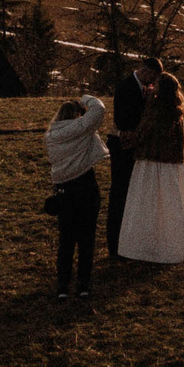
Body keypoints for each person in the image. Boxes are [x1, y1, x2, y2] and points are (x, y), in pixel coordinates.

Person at [112, 68, 184, 264]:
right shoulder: (175, 109)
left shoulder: (156, 109)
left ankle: (147, 245)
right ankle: (173, 242)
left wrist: (121, 136)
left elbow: (142, 133)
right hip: (172, 163)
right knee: (171, 204)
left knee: (148, 204)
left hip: (151, 161)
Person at [43, 95, 107, 302]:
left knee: (66, 240)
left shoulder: (50, 135)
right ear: (78, 115)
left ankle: (63, 285)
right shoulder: (81, 128)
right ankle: (83, 285)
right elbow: (99, 109)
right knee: (86, 239)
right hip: (85, 185)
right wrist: (85, 99)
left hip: (63, 189)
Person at [106, 61, 157, 259]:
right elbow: (124, 119)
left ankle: (123, 242)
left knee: (126, 194)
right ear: (145, 71)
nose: (152, 82)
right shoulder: (127, 87)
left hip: (128, 147)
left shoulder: (136, 86)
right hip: (123, 148)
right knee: (120, 193)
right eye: (152, 77)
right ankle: (116, 244)